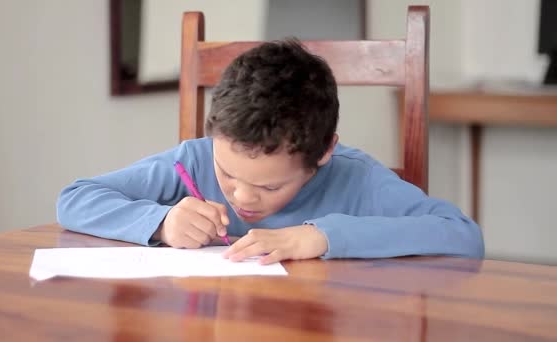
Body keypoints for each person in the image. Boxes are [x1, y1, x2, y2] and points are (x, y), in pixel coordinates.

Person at [56, 38, 484, 264]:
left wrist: (323, 236)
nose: (241, 197)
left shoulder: (358, 178)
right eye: (227, 174)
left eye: (270, 185)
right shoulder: (194, 159)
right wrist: (161, 222)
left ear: (323, 153)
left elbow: (462, 236)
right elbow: (75, 199)